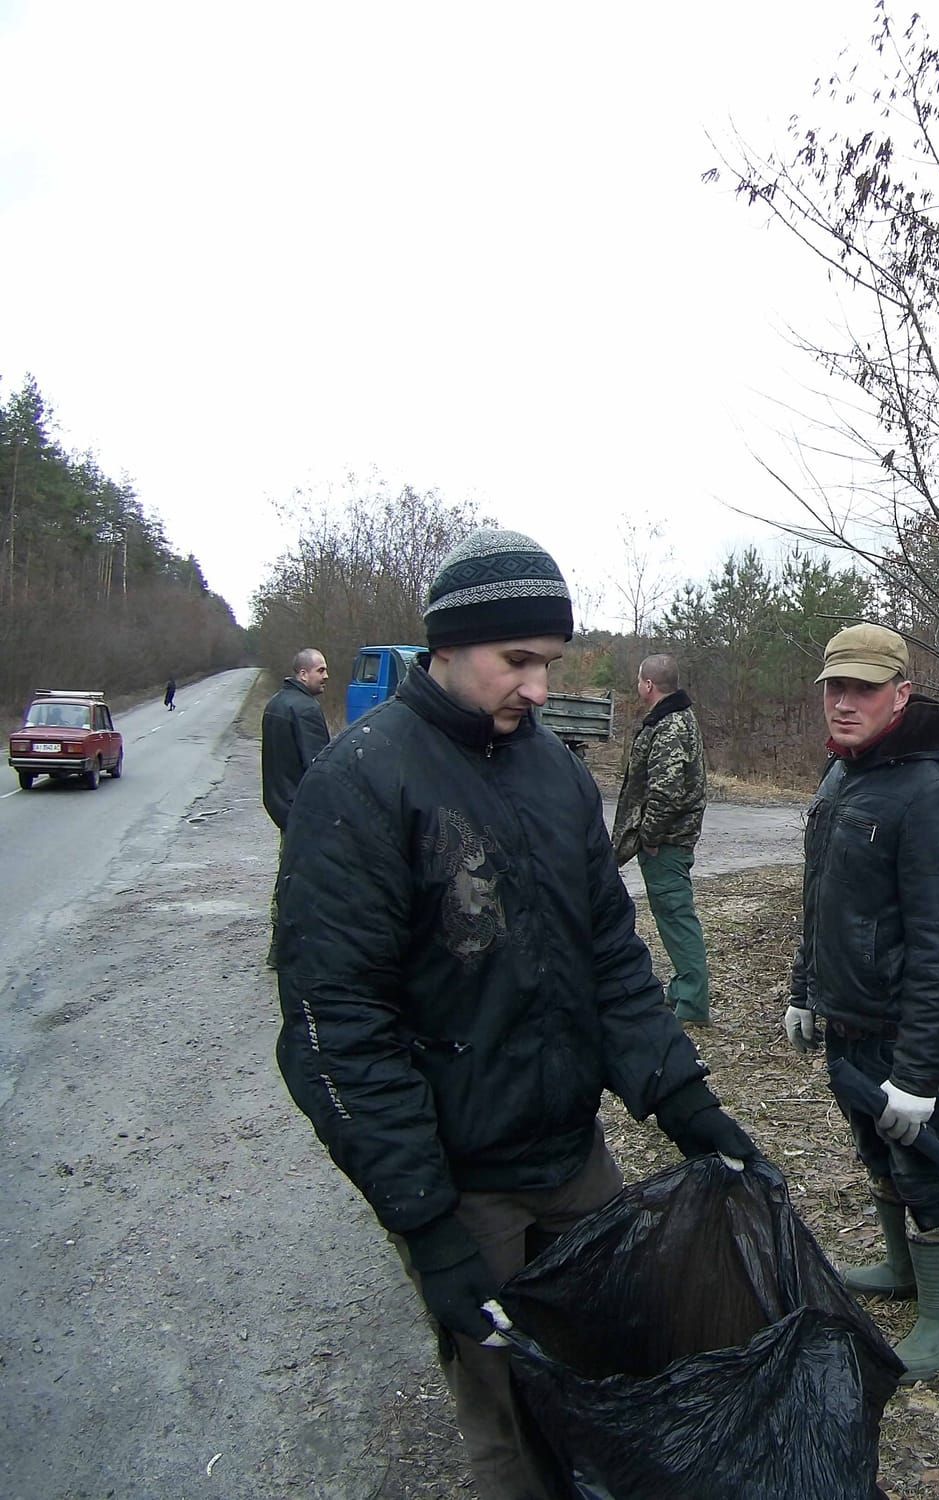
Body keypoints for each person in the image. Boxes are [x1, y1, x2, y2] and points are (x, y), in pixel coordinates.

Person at [272, 528, 757, 1499]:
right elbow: (338, 1031)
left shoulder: (554, 777)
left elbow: (610, 962)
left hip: (572, 1156)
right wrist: (428, 1229)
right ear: (446, 646)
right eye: (518, 661)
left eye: (549, 663)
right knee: (508, 1431)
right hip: (464, 1183)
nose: (538, 688)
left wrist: (685, 1103)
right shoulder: (362, 782)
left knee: (611, 1372)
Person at [783, 622, 939, 1382]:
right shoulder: (842, 776)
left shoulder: (934, 793)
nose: (843, 702)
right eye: (835, 686)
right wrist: (805, 991)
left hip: (901, 1030)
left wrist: (920, 1072)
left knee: (922, 1161)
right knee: (875, 1151)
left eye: (862, 688)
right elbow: (819, 899)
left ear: (901, 693)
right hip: (846, 1018)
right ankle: (902, 1272)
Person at [611, 654, 713, 1026]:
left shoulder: (670, 725)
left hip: (666, 843)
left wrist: (650, 837)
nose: (638, 686)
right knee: (672, 914)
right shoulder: (673, 719)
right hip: (667, 840)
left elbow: (666, 791)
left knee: (675, 915)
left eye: (640, 681)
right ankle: (683, 988)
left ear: (649, 685)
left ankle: (692, 1001)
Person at [260, 648, 332, 832]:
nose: (326, 676)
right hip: (302, 811)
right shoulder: (306, 709)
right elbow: (318, 767)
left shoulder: (274, 703)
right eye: (320, 670)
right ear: (303, 674)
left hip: (278, 806)